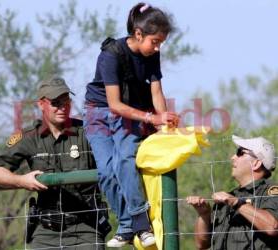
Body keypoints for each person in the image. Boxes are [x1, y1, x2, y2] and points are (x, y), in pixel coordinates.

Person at [83, 2, 179, 248]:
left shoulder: (152, 55)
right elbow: (114, 104)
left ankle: (139, 223)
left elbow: (157, 92)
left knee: (125, 159)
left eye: (160, 43)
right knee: (106, 170)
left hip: (132, 111)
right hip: (102, 112)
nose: (157, 47)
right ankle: (127, 224)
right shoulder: (111, 55)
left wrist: (164, 120)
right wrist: (151, 119)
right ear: (138, 34)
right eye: (155, 41)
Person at [0, 76, 110, 250]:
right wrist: (22, 181)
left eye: (66, 101)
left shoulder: (88, 132)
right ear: (41, 104)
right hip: (46, 231)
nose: (62, 108)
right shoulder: (29, 137)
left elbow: (113, 159)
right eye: (55, 103)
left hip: (86, 227)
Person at [187, 135, 278, 250]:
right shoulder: (228, 198)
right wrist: (204, 215)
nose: (233, 157)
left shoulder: (270, 191)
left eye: (240, 152)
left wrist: (236, 203)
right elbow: (202, 244)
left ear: (256, 163)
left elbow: (272, 227)